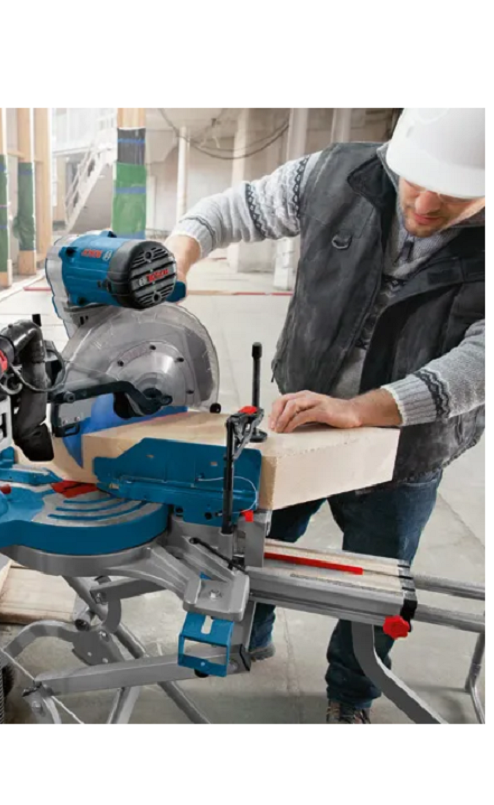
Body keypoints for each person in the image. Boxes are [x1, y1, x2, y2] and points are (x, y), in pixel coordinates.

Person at [165, 108, 485, 723]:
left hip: (404, 448)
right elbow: (228, 211)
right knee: (257, 545)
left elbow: (480, 364)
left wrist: (360, 409)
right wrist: (178, 257)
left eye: (453, 194)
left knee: (377, 584)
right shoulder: (336, 175)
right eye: (416, 182)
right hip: (299, 421)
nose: (424, 204)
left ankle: (352, 693)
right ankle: (249, 635)